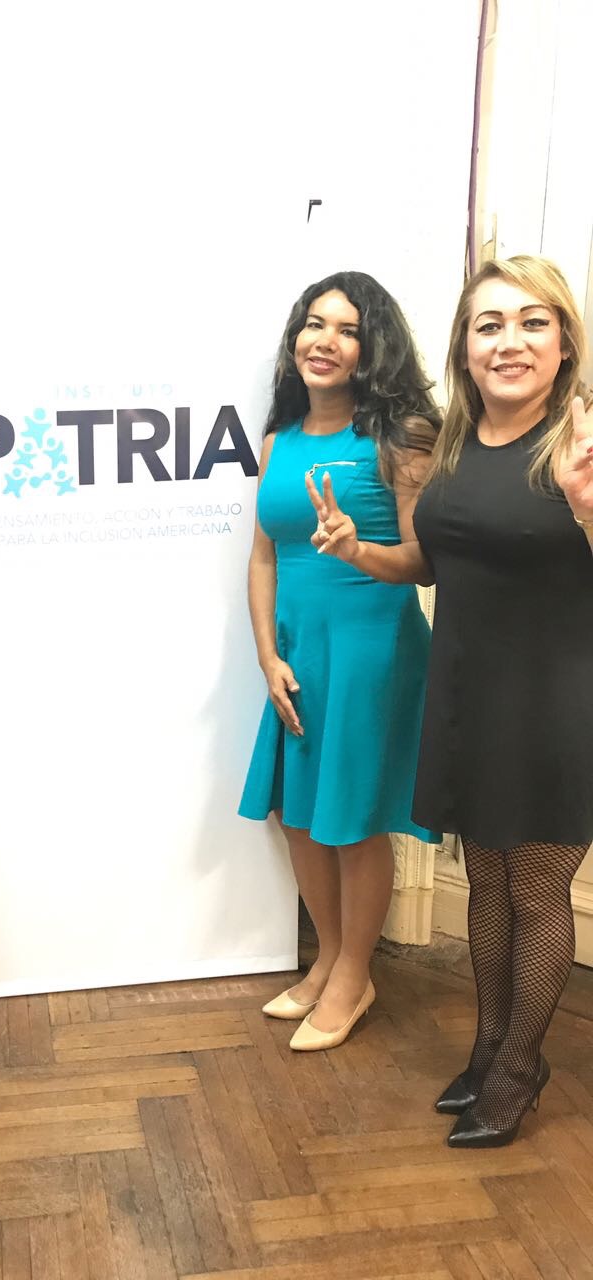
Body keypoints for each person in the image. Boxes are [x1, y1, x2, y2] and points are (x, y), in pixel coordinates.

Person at [309, 254, 593, 1145]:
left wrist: (587, 508)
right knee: (487, 880)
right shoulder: (457, 446)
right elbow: (433, 565)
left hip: (558, 700)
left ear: (565, 342)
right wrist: (357, 548)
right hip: (467, 692)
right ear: (465, 347)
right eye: (489, 324)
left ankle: (518, 1070)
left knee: (536, 890)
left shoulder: (581, 443)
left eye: (533, 322)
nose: (510, 341)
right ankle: (491, 1047)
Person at [239, 270, 441, 1052]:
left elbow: (425, 562)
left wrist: (358, 549)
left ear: (371, 347)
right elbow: (264, 557)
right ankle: (328, 958)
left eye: (348, 329)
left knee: (352, 820)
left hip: (369, 649)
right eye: (314, 324)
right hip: (296, 651)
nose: (325, 341)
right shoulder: (278, 441)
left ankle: (355, 976)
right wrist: (267, 655)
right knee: (297, 814)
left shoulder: (401, 437)